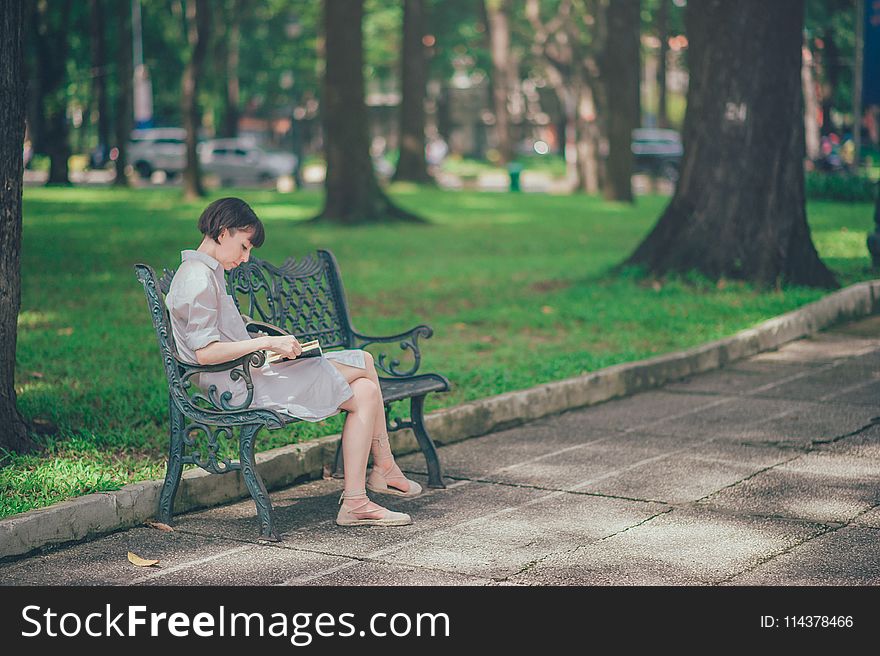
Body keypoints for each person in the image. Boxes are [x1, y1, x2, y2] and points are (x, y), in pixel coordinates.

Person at [164, 197, 421, 527]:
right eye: (243, 247)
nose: (245, 259)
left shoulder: (205, 273)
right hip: (235, 387)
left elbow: (217, 333)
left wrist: (262, 336)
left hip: (244, 375)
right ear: (223, 232)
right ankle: (382, 469)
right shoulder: (198, 278)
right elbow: (204, 354)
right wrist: (267, 342)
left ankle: (359, 499)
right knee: (365, 363)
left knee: (368, 391)